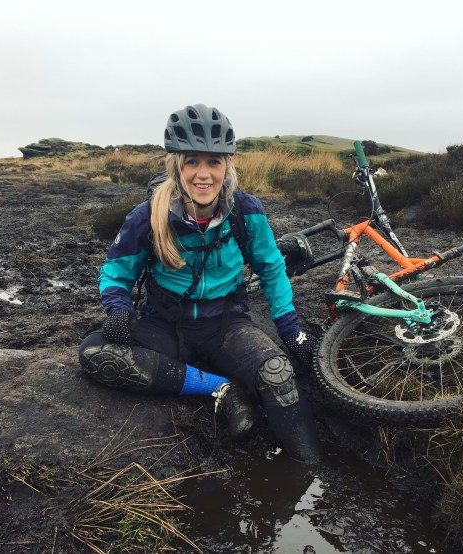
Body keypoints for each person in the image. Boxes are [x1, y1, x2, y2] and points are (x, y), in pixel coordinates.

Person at [78, 103, 322, 463]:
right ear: (176, 165)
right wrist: (118, 310)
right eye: (192, 161)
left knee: (278, 376)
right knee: (96, 352)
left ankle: (311, 470)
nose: (203, 174)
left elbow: (272, 269)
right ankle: (218, 388)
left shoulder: (247, 212)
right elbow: (116, 272)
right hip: (165, 326)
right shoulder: (147, 217)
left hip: (226, 325)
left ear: (227, 165)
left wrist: (291, 331)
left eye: (214, 162)